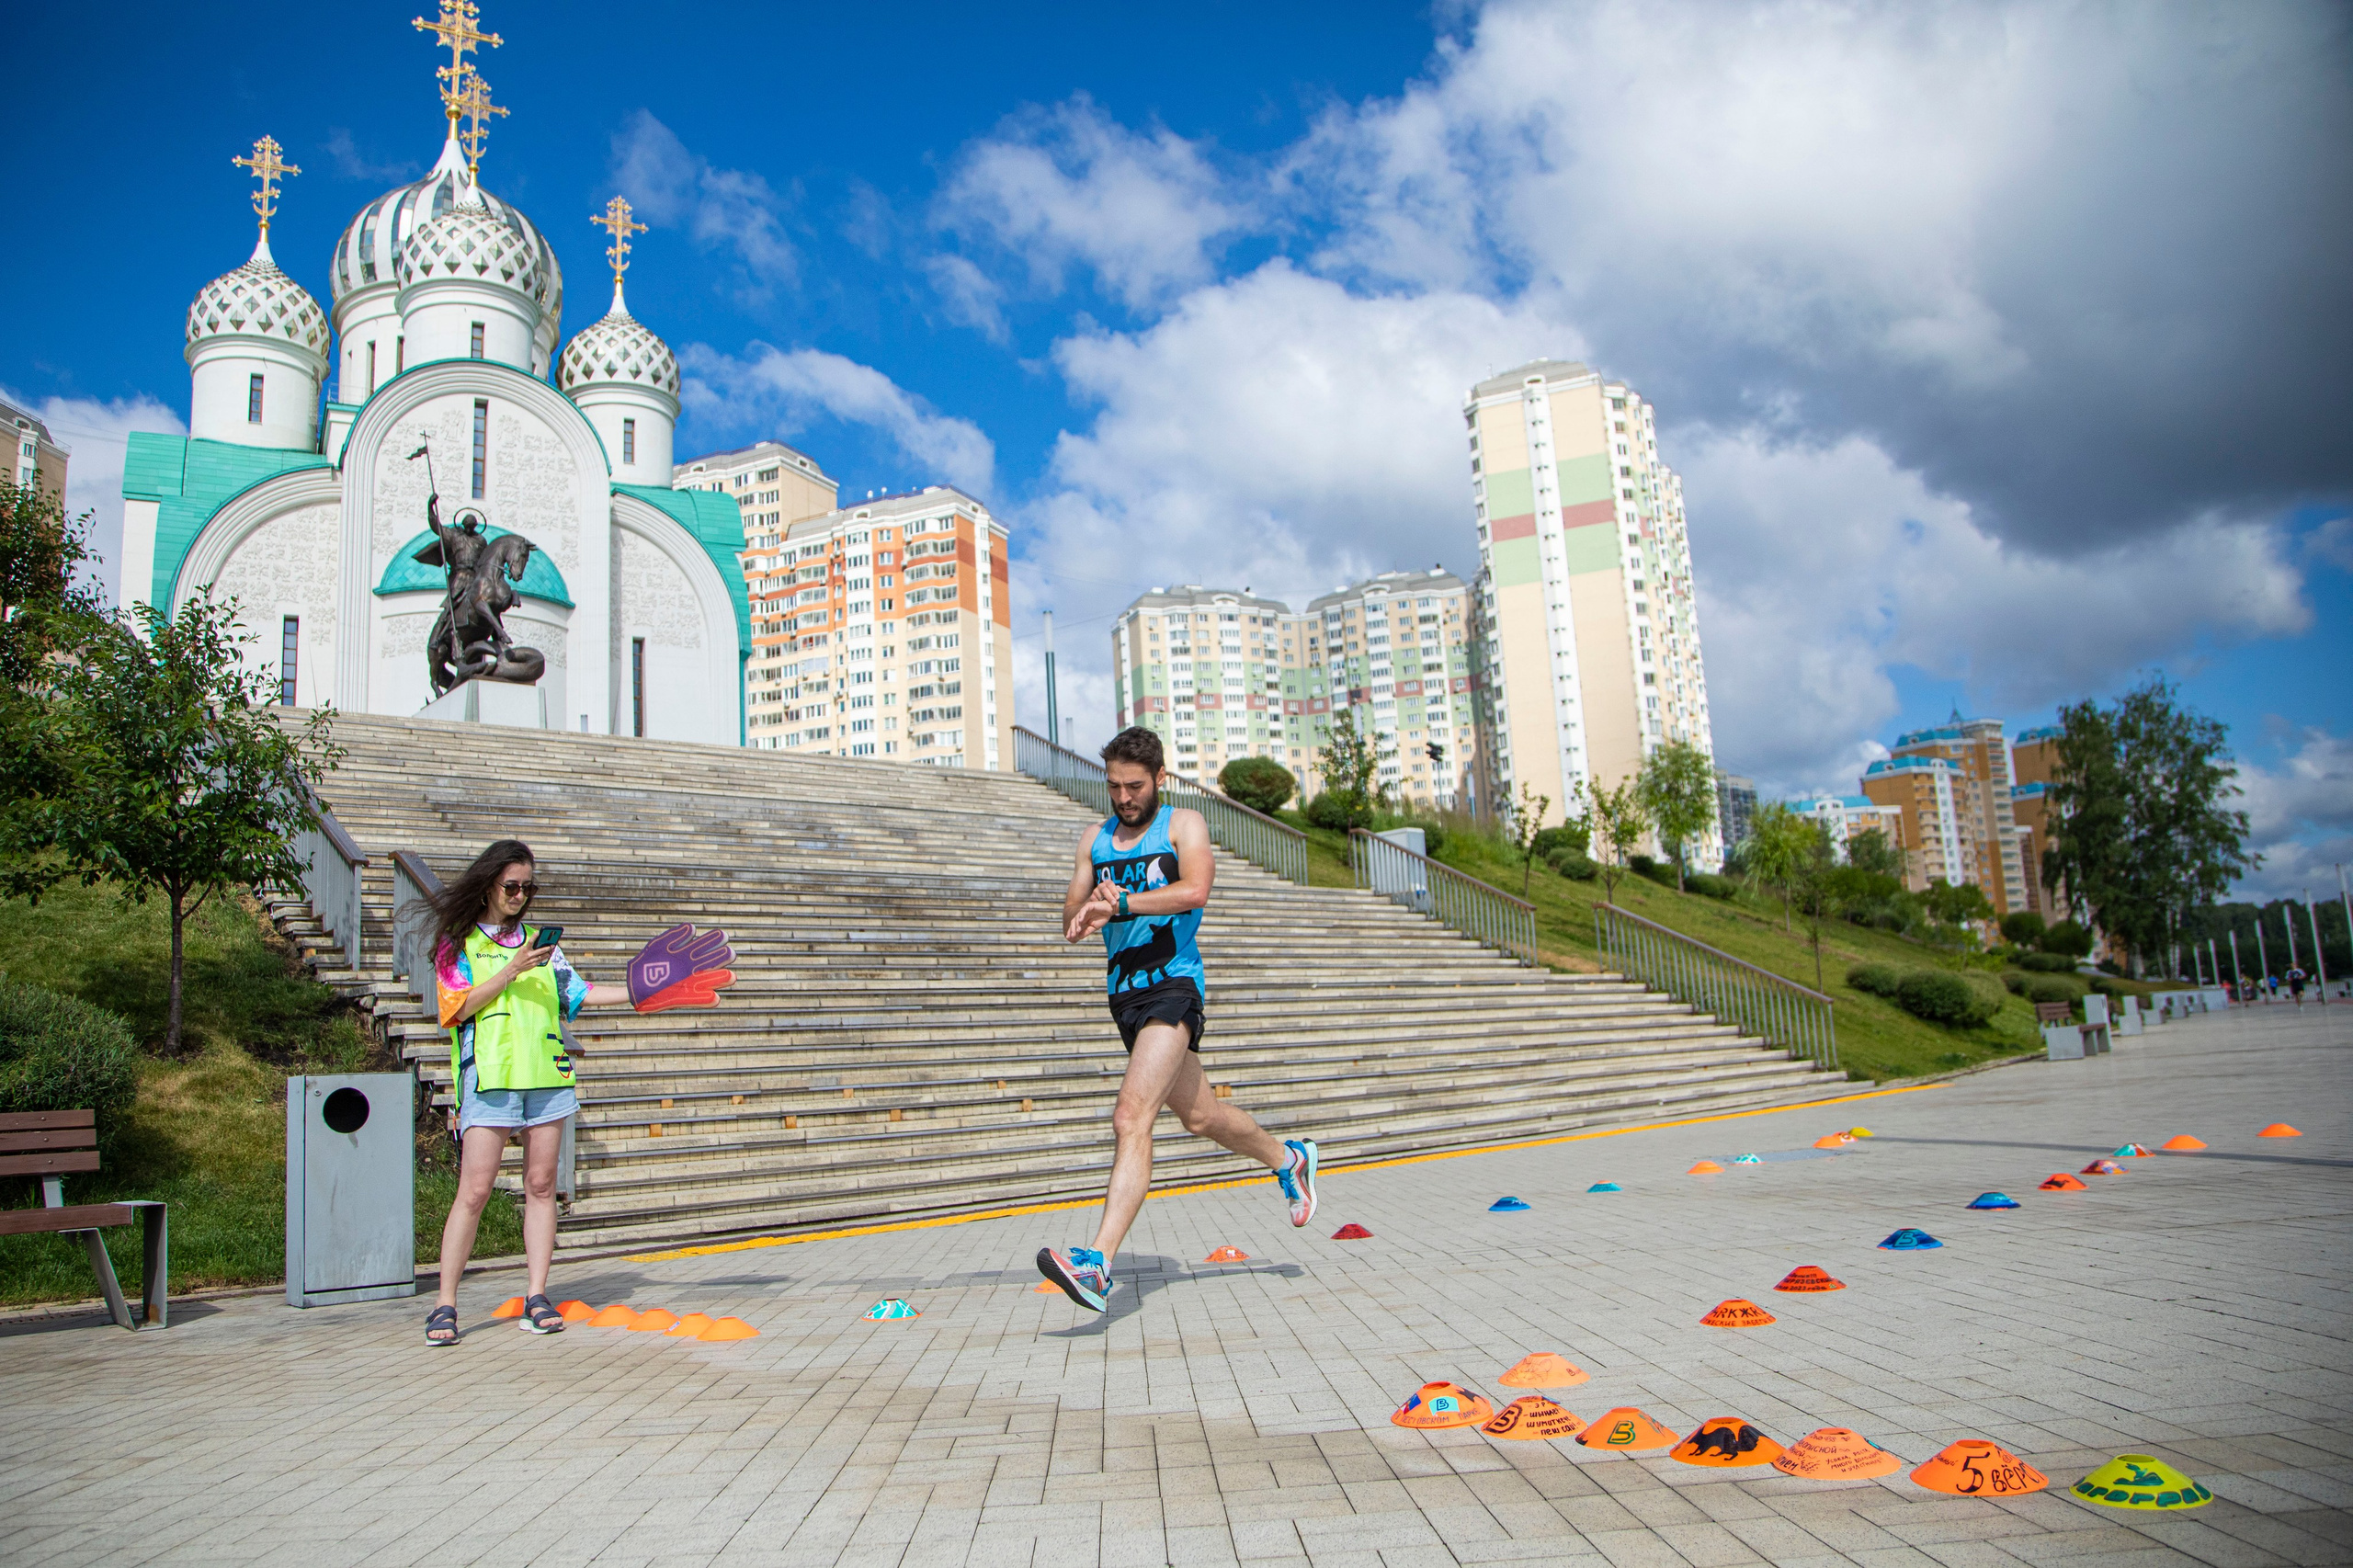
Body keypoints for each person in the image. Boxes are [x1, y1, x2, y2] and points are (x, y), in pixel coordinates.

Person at [1036, 727, 1319, 1313]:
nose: (1123, 797)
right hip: (1125, 997)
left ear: (1159, 779)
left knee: (1130, 1116)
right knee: (1200, 1116)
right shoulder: (1095, 840)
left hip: (1173, 985)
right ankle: (1288, 1159)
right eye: (1113, 785)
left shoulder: (1183, 825)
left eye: (1134, 786)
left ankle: (1097, 1263)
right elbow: (1070, 923)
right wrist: (1087, 913)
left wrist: (1124, 903)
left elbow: (1196, 890)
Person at [425, 839, 631, 1345]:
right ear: (489, 886)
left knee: (542, 1188)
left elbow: (578, 994)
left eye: (528, 887)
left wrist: (643, 993)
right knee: (473, 1192)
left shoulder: (545, 945)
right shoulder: (458, 944)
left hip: (547, 1075)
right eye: (512, 886)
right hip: (490, 1077)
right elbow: (454, 1008)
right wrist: (513, 969)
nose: (520, 895)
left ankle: (537, 1295)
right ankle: (444, 1303)